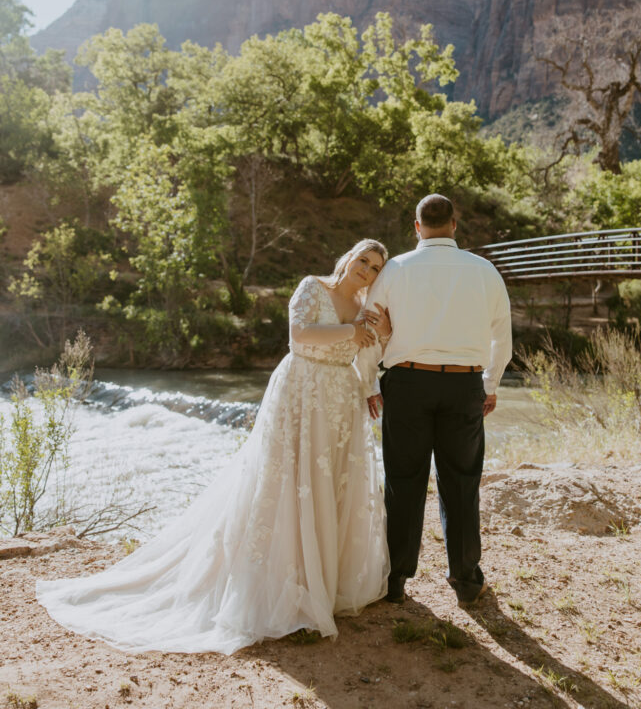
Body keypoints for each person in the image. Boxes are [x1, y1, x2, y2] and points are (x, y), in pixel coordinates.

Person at [36, 240, 392, 654]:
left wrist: (373, 368)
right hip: (301, 390)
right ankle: (285, 587)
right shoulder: (313, 288)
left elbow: (367, 357)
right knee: (291, 483)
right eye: (363, 260)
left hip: (340, 402)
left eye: (375, 267)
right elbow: (298, 336)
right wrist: (352, 330)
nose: (366, 270)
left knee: (331, 485)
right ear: (348, 258)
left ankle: (326, 586)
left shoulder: (368, 309)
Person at [360, 194, 512, 606]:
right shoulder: (484, 271)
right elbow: (502, 335)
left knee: (403, 482)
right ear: (455, 224)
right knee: (461, 483)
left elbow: (368, 324)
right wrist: (491, 383)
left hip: (406, 383)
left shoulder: (394, 269)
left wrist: (371, 381)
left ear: (417, 226)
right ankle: (465, 580)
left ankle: (395, 582)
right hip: (464, 386)